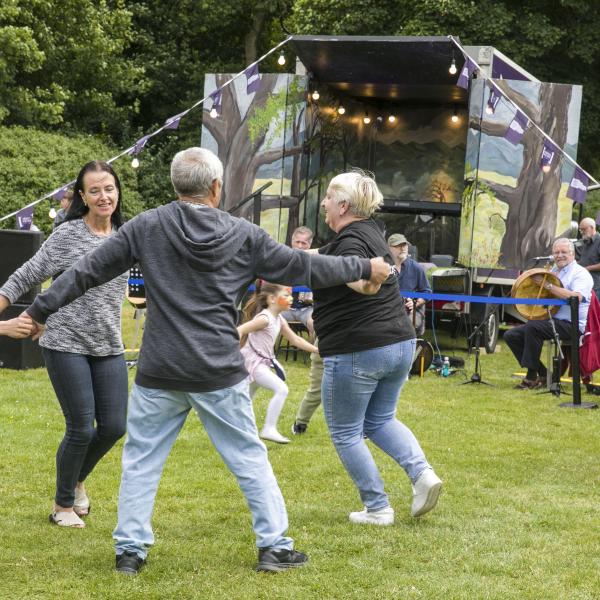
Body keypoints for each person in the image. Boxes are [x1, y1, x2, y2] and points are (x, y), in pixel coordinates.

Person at [25, 147, 391, 574]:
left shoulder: (148, 226)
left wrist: (37, 311)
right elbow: (301, 267)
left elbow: (85, 271)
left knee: (142, 461)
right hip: (217, 369)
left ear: (177, 186)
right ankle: (273, 546)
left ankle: (130, 552)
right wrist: (364, 266)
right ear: (217, 188)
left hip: (159, 369)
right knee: (249, 458)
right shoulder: (243, 234)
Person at [0, 160, 129, 528]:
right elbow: (27, 274)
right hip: (64, 340)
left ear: (117, 191)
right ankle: (62, 506)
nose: (104, 196)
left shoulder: (127, 235)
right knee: (80, 427)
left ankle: (75, 479)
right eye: (94, 191)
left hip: (109, 345)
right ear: (83, 197)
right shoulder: (69, 234)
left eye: (109, 188)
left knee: (114, 426)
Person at [313, 170, 443, 526]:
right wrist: (271, 257)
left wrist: (362, 281)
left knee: (345, 432)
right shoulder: (370, 232)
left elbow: (360, 278)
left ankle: (377, 508)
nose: (323, 203)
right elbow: (317, 256)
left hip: (358, 347)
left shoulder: (351, 243)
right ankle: (423, 475)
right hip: (400, 344)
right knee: (381, 420)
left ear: (343, 204)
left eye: (327, 197)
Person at [504, 238, 594, 389]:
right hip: (552, 320)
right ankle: (545, 374)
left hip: (571, 325)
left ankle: (531, 378)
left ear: (572, 254)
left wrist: (547, 285)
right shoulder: (553, 271)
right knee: (511, 335)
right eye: (556, 252)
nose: (559, 255)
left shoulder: (580, 273)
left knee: (533, 327)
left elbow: (576, 297)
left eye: (563, 252)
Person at [238, 281, 318, 444]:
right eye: (286, 295)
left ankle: (241, 429)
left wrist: (317, 351)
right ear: (272, 299)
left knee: (245, 398)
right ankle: (268, 428)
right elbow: (240, 330)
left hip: (262, 362)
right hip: (254, 363)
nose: (290, 299)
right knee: (281, 389)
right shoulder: (265, 318)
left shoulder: (278, 319)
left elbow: (295, 339)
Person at [388, 233, 431, 336]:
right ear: (389, 248)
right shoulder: (384, 267)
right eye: (398, 245)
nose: (403, 248)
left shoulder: (417, 268)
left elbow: (427, 293)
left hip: (410, 312)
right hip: (388, 310)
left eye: (405, 245)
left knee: (404, 324)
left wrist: (415, 303)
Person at [281, 226, 315, 339]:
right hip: (284, 308)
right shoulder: (282, 260)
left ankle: (314, 354)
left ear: (310, 244)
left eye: (304, 243)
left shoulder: (316, 262)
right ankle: (264, 354)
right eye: (297, 242)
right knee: (265, 319)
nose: (300, 246)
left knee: (315, 323)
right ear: (292, 241)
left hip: (307, 309)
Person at [576, 217, 600, 299]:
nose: (582, 232)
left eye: (584, 229)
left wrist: (587, 268)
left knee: (595, 311)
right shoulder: (585, 241)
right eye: (580, 230)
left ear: (592, 228)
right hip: (583, 283)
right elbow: (584, 260)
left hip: (596, 286)